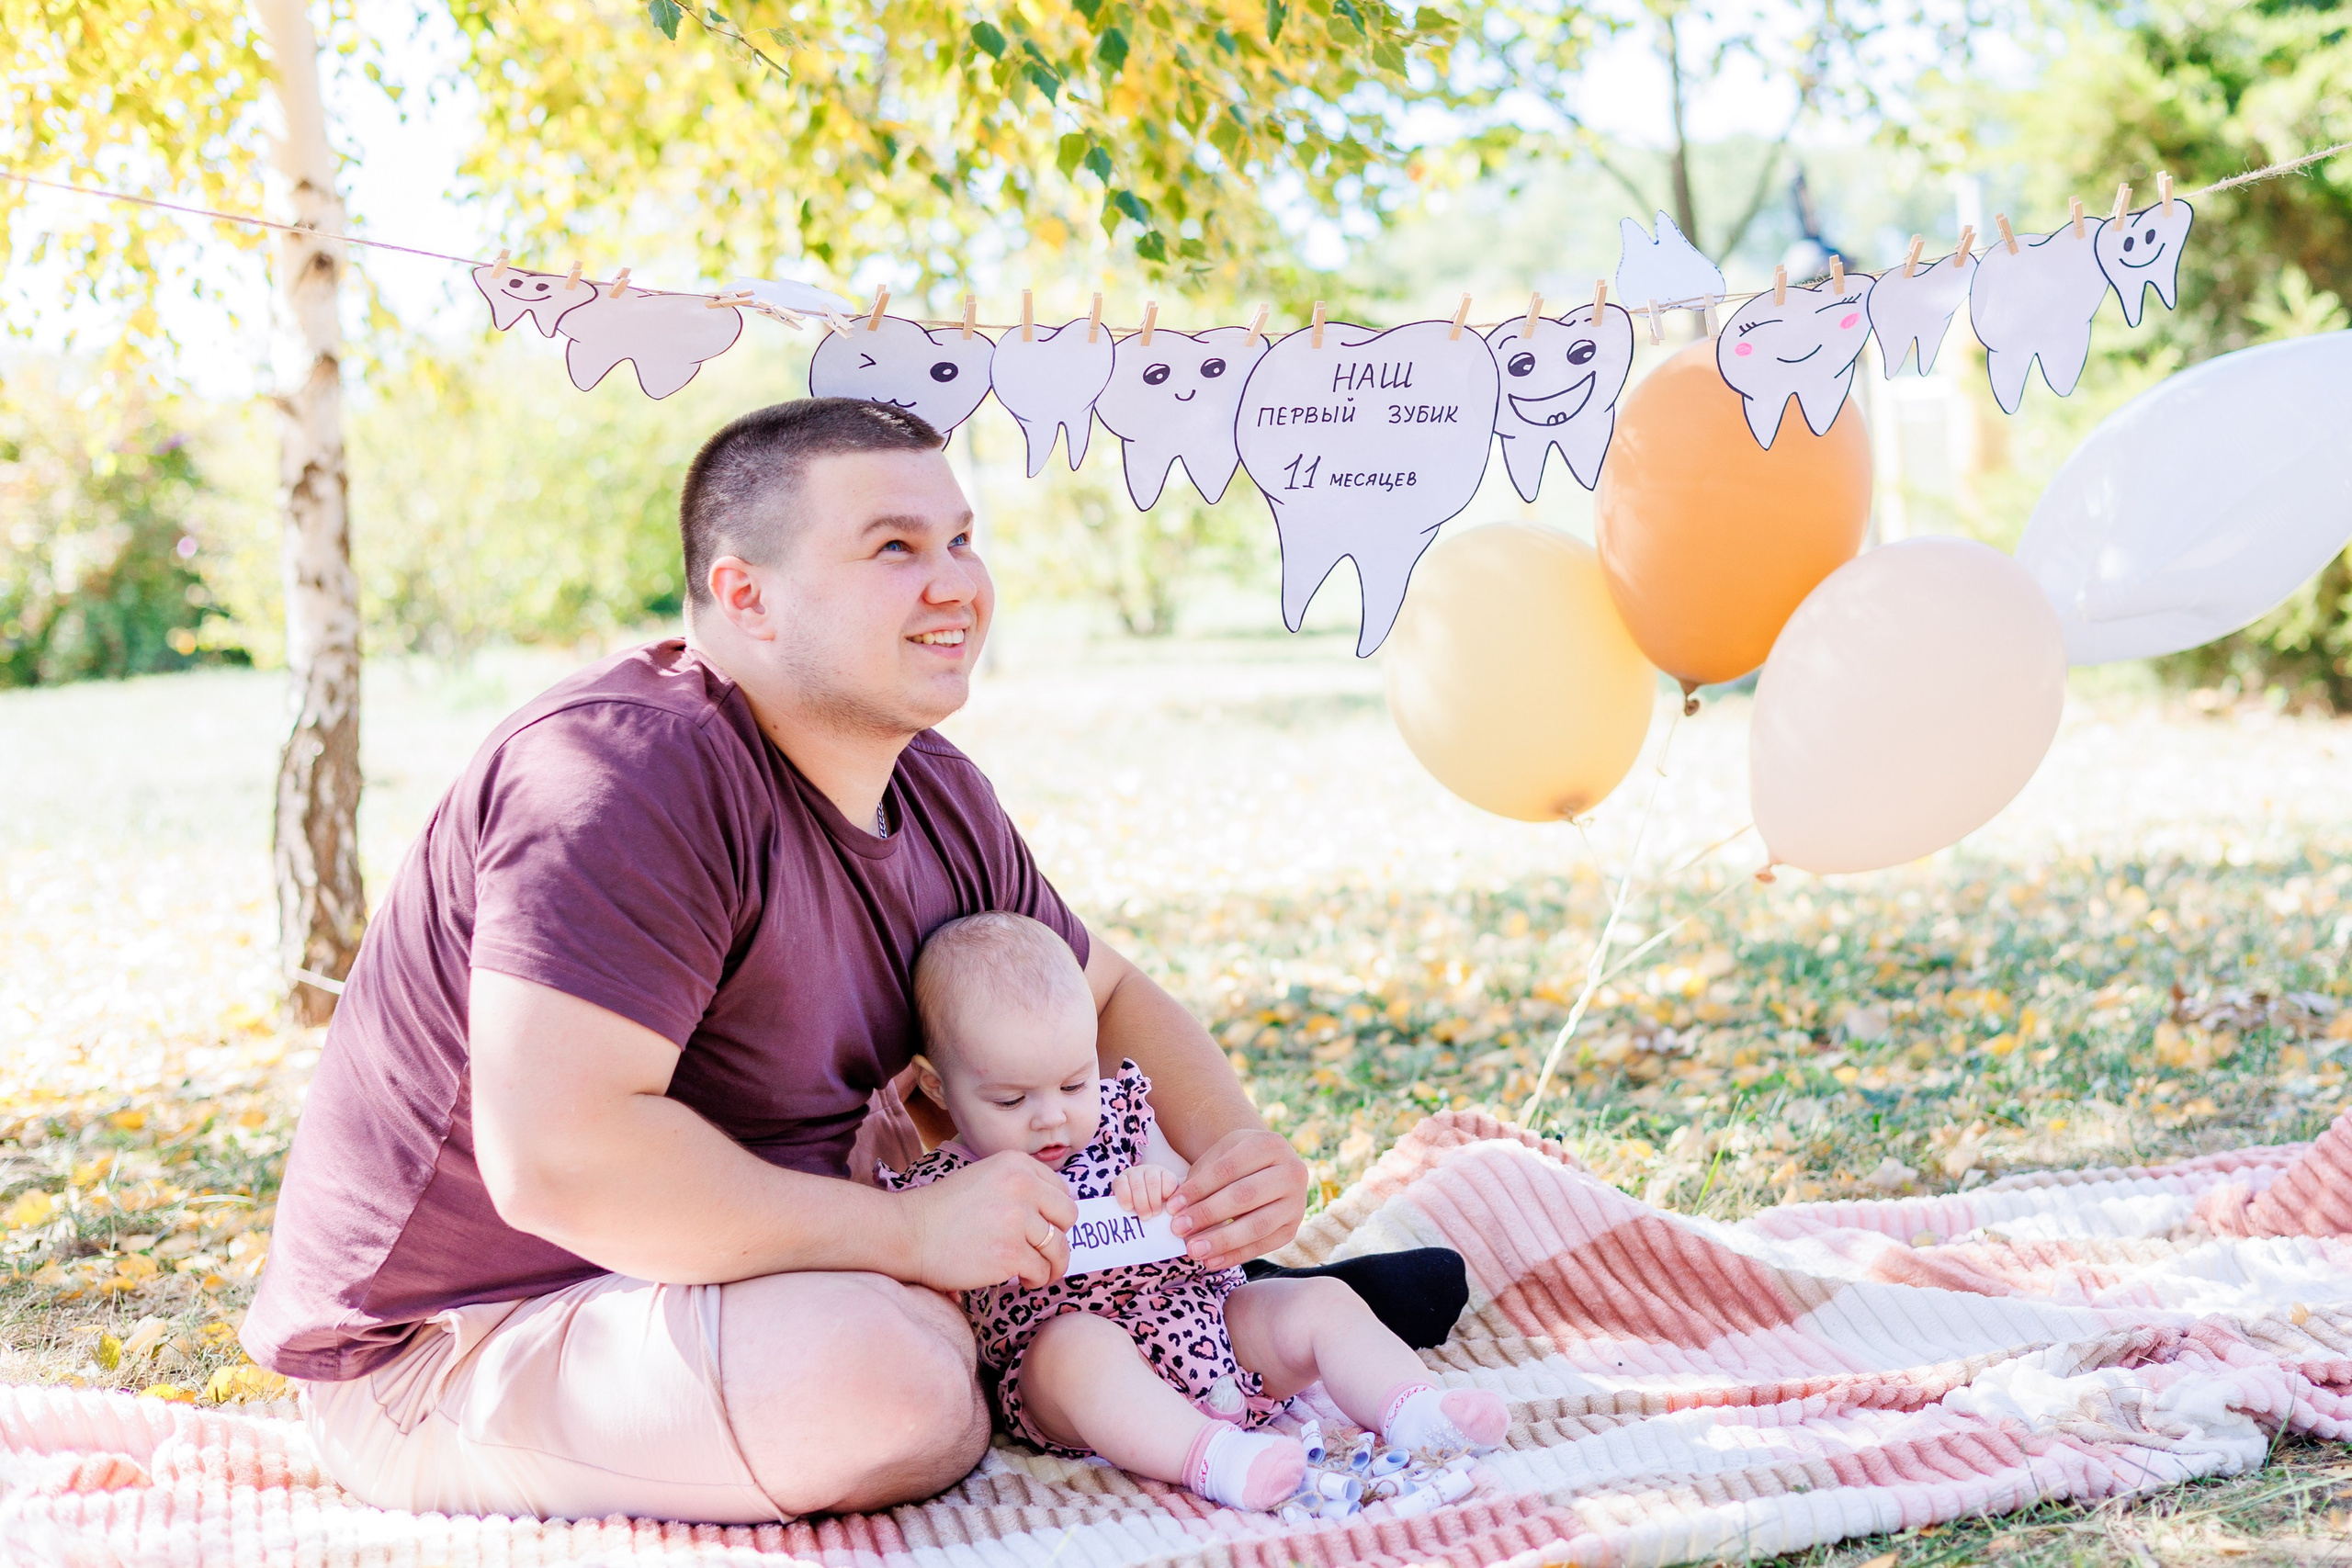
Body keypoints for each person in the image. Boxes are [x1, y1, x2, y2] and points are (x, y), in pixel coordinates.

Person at [241, 398, 1453, 1525]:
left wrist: (1234, 1151)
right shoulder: (623, 777)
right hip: (461, 1340)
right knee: (895, 1384)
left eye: (963, 539)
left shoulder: (935, 791)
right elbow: (563, 1163)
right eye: (894, 548)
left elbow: (1111, 994)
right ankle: (1119, 1328)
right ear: (747, 594)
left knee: (931, 1295)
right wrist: (923, 1243)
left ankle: (1192, 1301)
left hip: (764, 1278)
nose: (958, 585)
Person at [878, 912, 1507, 1512]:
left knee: (1322, 1302)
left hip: (1209, 1325)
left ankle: (1416, 1409)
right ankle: (1217, 1459)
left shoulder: (1124, 1119)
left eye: (1073, 1083)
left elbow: (1189, 1189)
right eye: (1012, 1099)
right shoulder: (955, 1183)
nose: (1052, 1116)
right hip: (1074, 1364)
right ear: (938, 1087)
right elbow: (933, 1281)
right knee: (1076, 1349)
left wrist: (1162, 1179)